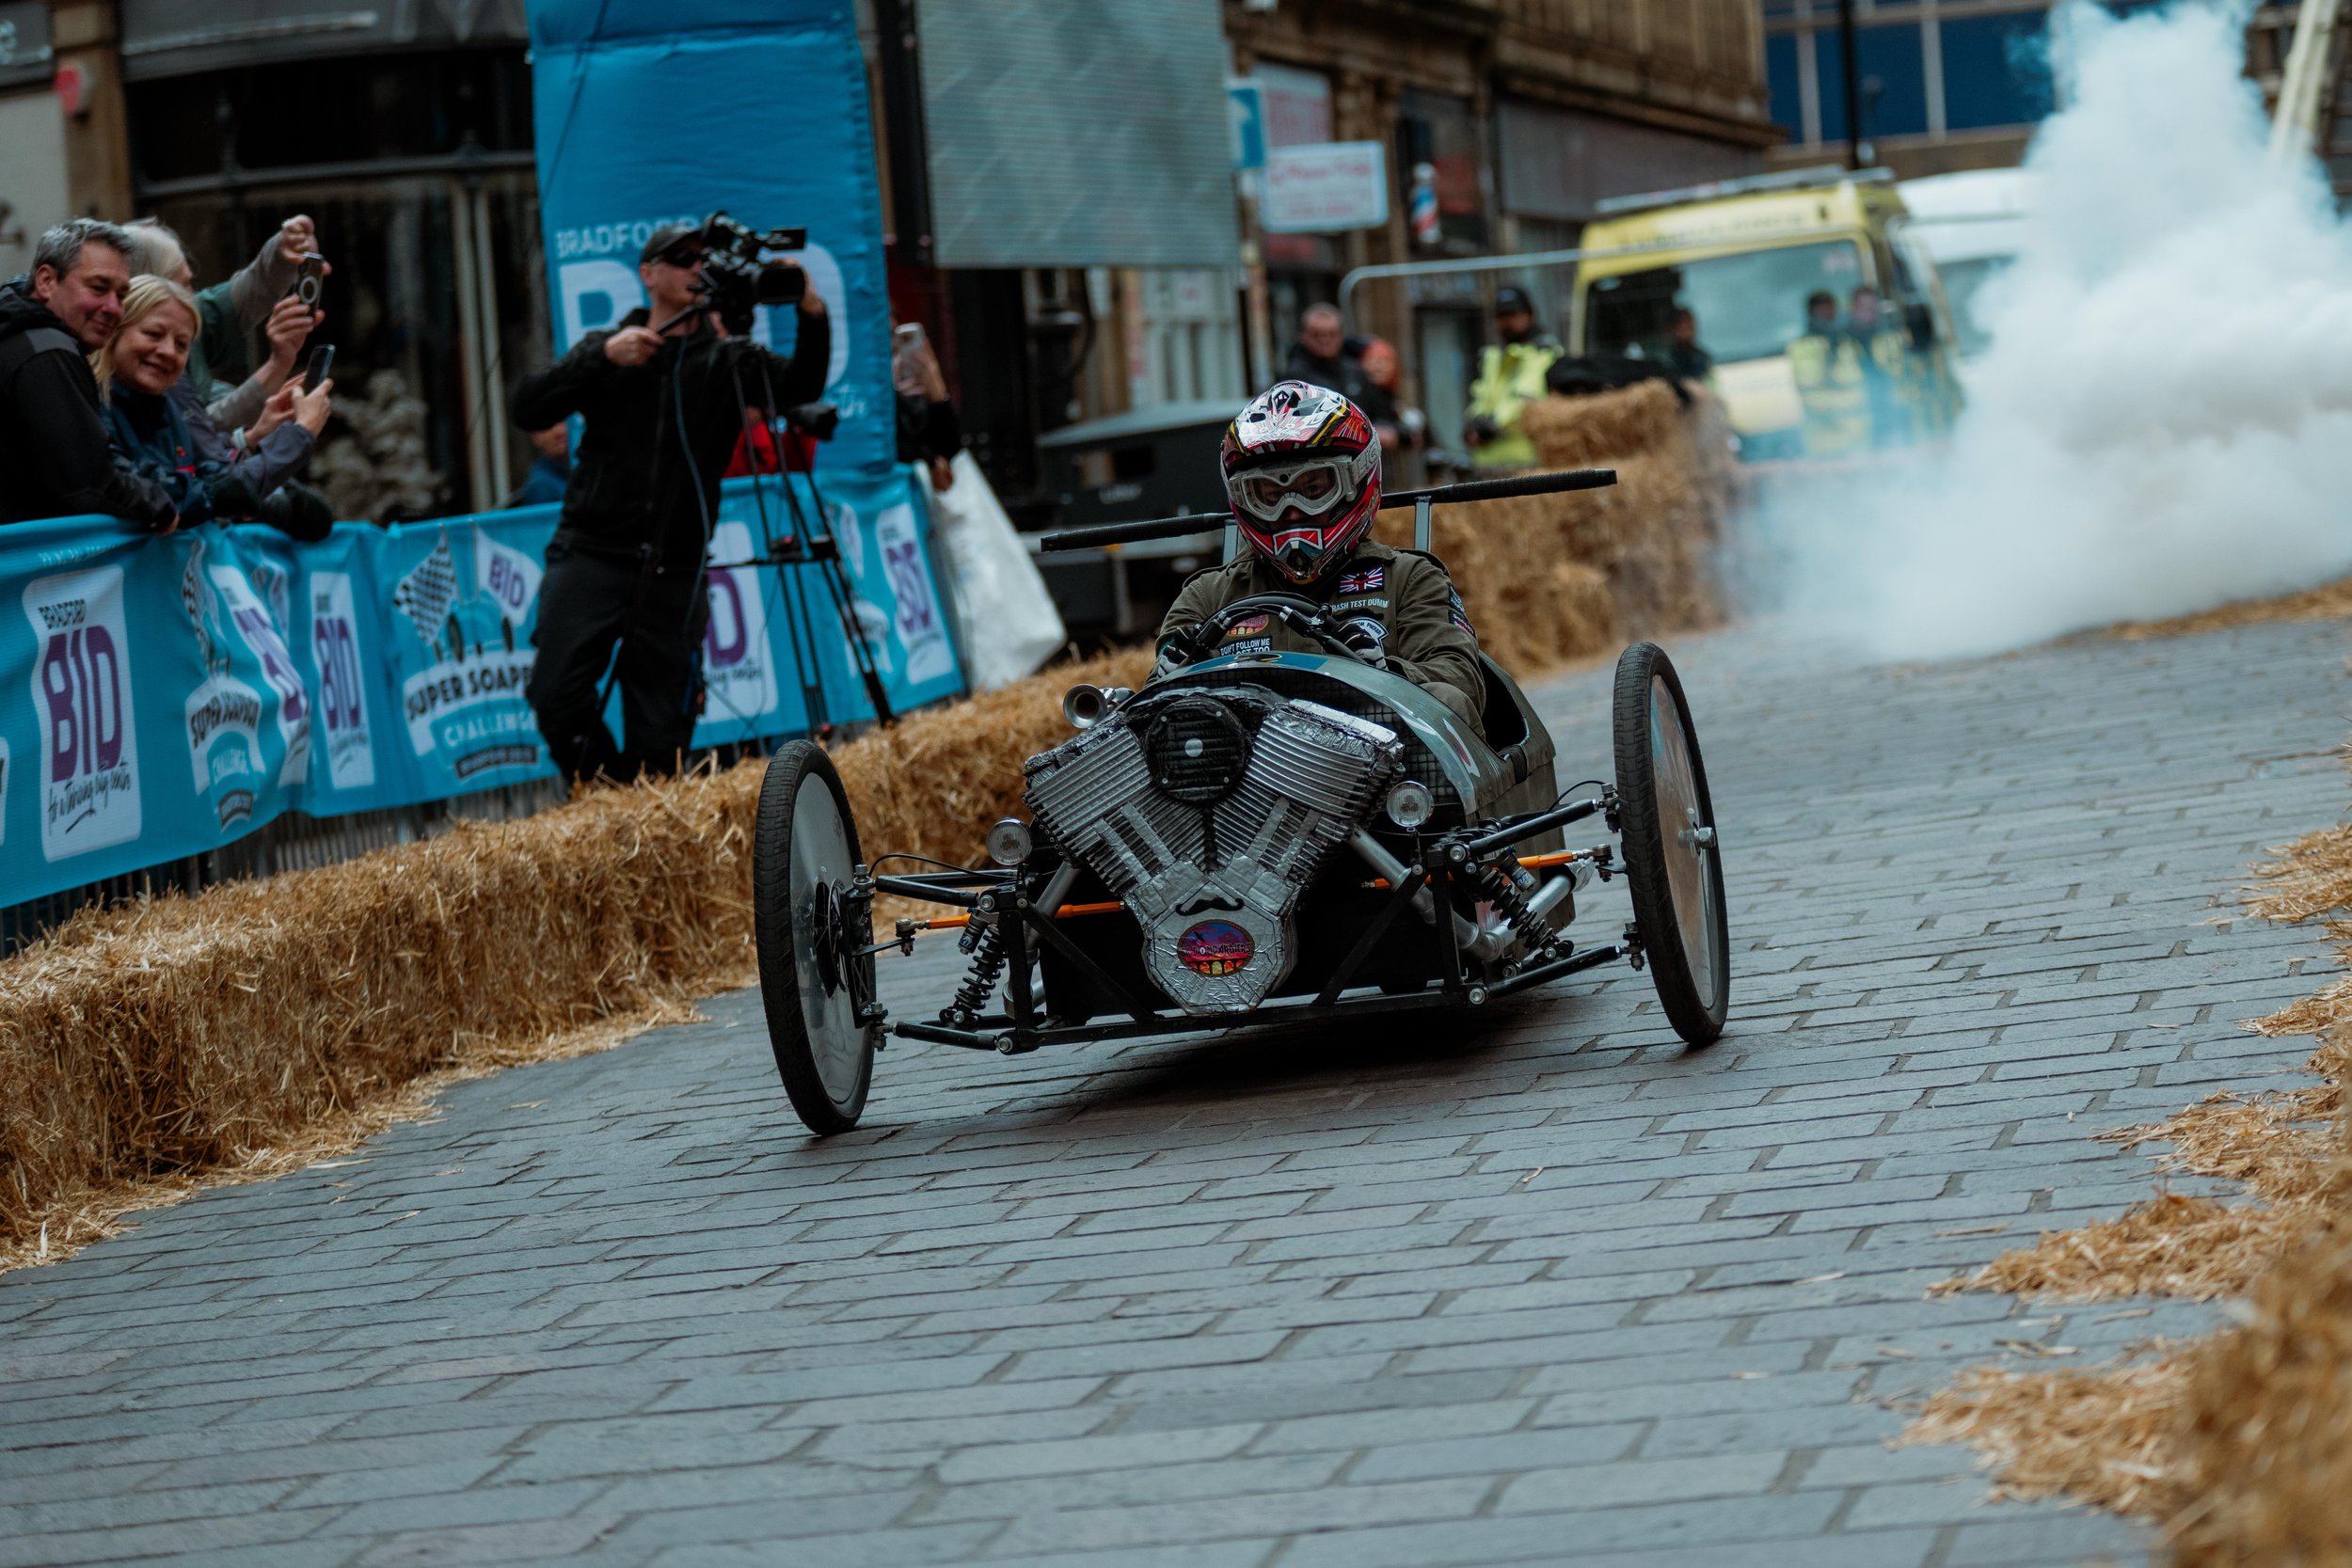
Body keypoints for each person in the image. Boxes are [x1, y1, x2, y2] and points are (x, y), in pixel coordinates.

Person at [508, 221, 831, 785]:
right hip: (592, 551)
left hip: (675, 568)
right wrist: (603, 358)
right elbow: (529, 408)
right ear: (648, 273)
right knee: (555, 694)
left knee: (663, 734)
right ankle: (609, 800)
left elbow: (802, 386)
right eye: (680, 258)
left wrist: (810, 308)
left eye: (701, 260)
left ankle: (642, 811)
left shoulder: (727, 361)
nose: (693, 268)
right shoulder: (608, 350)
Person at [1156, 380, 1485, 728]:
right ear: (1242, 499)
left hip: (1377, 767)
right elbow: (1154, 712)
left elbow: (1460, 681)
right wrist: (1168, 682)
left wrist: (1387, 675)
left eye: (1313, 489)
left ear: (1357, 482)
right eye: (1269, 494)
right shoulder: (1207, 596)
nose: (1292, 511)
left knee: (1447, 701)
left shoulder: (1410, 577)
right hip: (1240, 770)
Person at [96, 275, 335, 540]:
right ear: (116, 331)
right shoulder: (90, 403)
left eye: (181, 344)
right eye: (153, 334)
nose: (167, 351)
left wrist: (253, 438)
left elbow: (213, 475)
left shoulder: (167, 405)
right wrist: (299, 435)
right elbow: (186, 495)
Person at [0, 219, 175, 530]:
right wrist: (161, 506)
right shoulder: (49, 350)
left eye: (121, 295)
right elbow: (90, 484)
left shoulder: (25, 339)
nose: (113, 308)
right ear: (46, 281)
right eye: (98, 288)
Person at [120, 215, 326, 437]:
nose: (192, 298)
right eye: (183, 287)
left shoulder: (188, 315)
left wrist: (284, 251)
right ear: (144, 291)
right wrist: (278, 365)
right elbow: (197, 438)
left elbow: (249, 292)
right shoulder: (120, 389)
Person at [1461, 284, 1561, 470]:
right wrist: (1472, 424)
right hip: (1487, 465)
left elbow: (1527, 402)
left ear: (1529, 315)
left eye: (1513, 314)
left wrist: (1490, 427)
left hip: (1526, 463)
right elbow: (1481, 399)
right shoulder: (1492, 357)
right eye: (1501, 316)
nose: (1507, 322)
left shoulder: (1544, 354)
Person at [1786, 288, 1869, 458]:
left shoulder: (1848, 342)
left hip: (1859, 439)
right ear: (1811, 313)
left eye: (1831, 308)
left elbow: (1863, 381)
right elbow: (1809, 387)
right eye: (1823, 309)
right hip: (1823, 442)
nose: (1829, 314)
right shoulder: (1801, 347)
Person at [1280, 304, 1373, 407]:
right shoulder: (1293, 380)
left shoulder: (1356, 372)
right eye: (1316, 334)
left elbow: (1381, 415)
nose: (1324, 340)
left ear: (1341, 335)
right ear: (1303, 335)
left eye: (1331, 334)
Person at [508, 423, 572, 507]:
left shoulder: (582, 475)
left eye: (563, 421)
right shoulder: (542, 486)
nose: (560, 432)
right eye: (549, 425)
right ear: (536, 437)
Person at [1661, 308, 1712, 382]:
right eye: (1684, 327)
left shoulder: (1701, 356)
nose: (1689, 331)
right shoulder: (1666, 358)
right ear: (1672, 329)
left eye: (1691, 326)